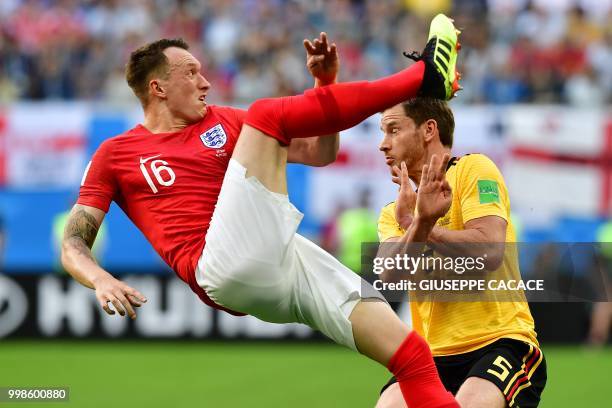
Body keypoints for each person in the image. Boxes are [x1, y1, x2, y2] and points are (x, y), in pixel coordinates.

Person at [61, 14, 461, 408]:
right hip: (218, 264)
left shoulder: (225, 122)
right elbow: (74, 242)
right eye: (191, 73)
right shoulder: (116, 154)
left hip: (276, 261)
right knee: (266, 114)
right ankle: (424, 77)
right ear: (158, 87)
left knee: (411, 355)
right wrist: (99, 280)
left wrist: (324, 85)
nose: (206, 82)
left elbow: (322, 152)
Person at [374, 98, 547, 407]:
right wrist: (419, 223)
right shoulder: (393, 213)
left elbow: (490, 251)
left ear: (429, 129)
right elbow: (388, 274)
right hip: (430, 356)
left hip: (499, 343)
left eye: (393, 130)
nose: (382, 145)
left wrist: (425, 225)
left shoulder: (473, 169)